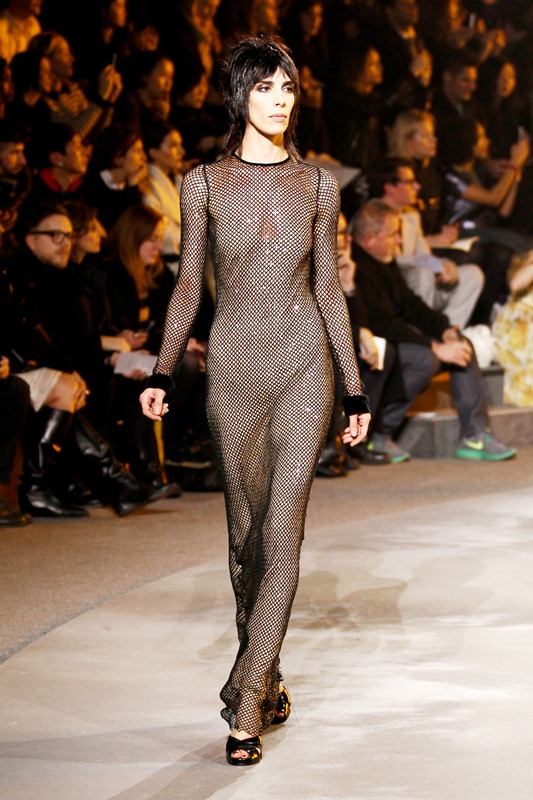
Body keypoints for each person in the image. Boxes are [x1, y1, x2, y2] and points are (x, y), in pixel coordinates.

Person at [139, 35, 370, 766]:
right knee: (245, 543)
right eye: (266, 86)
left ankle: (244, 710)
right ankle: (265, 680)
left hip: (305, 368)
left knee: (283, 535)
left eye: (288, 87)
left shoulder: (320, 185)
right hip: (233, 370)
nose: (279, 100)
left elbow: (328, 289)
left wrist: (353, 384)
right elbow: (188, 286)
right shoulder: (203, 184)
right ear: (239, 95)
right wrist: (161, 372)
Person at [351, 198, 516, 462]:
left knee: (460, 344)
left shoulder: (384, 261)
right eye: (392, 235)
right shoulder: (357, 268)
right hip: (375, 347)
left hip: (398, 338)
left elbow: (412, 306)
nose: (398, 240)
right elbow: (381, 322)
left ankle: (475, 435)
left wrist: (444, 331)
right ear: (369, 239)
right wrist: (435, 347)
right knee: (425, 358)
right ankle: (379, 433)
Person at [365, 156, 484, 329]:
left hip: (421, 284)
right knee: (422, 273)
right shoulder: (371, 217)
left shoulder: (411, 216)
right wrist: (431, 264)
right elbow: (388, 261)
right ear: (390, 188)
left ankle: (449, 331)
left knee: (472, 274)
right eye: (410, 182)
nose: (417, 187)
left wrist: (444, 265)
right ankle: (427, 334)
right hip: (395, 288)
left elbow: (423, 253)